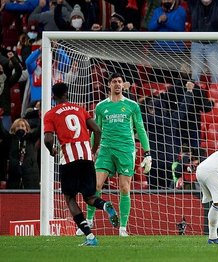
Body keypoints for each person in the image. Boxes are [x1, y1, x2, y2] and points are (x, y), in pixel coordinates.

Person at [43, 82, 119, 246]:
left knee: (70, 198)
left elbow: (48, 139)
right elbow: (97, 130)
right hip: (86, 155)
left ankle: (90, 237)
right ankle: (105, 205)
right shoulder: (79, 109)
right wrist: (92, 150)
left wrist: (51, 151)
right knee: (90, 196)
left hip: (69, 157)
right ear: (67, 93)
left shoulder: (50, 114)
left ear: (53, 96)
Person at [84, 72, 151, 237]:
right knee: (96, 185)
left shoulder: (132, 105)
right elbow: (95, 131)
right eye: (114, 81)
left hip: (126, 150)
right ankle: (89, 220)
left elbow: (140, 129)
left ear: (123, 85)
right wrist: (91, 151)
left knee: (124, 188)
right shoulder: (100, 107)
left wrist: (147, 152)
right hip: (106, 149)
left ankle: (122, 228)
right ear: (109, 85)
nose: (117, 84)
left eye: (120, 81)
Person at [0, 118, 40, 189]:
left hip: (31, 177)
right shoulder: (10, 139)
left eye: (22, 126)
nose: (20, 128)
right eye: (18, 126)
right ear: (14, 129)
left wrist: (41, 117)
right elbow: (2, 131)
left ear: (27, 129)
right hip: (13, 176)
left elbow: (40, 130)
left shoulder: (31, 138)